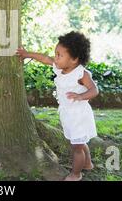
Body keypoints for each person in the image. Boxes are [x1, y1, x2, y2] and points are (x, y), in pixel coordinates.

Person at [16, 31, 98, 181]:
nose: (55, 57)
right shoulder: (61, 68)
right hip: (69, 113)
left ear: (74, 59)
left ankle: (76, 174)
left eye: (59, 55)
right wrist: (27, 54)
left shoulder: (81, 74)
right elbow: (45, 58)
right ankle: (87, 164)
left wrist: (80, 96)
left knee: (77, 147)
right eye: (56, 53)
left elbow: (94, 90)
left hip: (79, 115)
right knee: (78, 142)